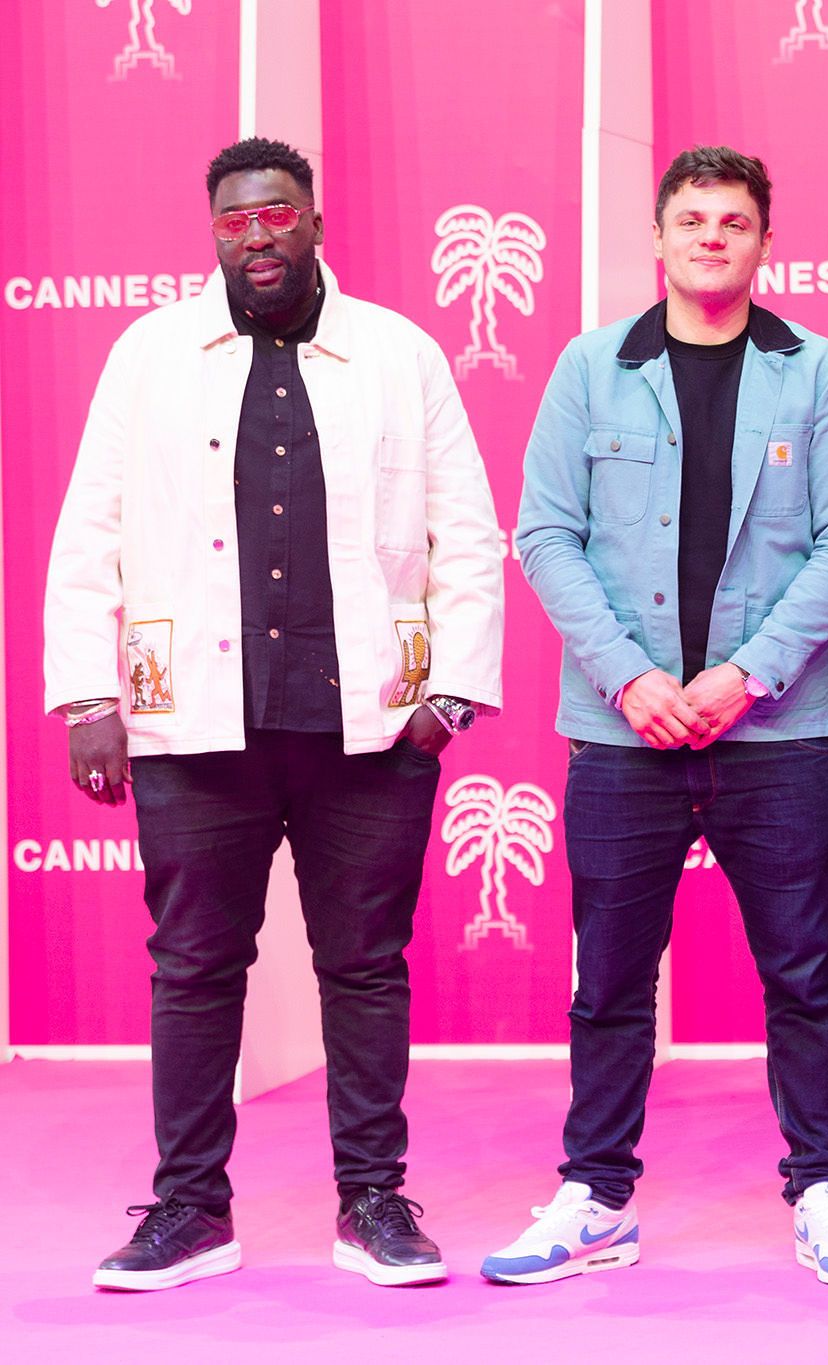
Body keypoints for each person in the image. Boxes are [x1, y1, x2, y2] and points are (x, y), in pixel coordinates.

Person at [47, 136, 505, 1291]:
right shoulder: (149, 354)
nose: (257, 236)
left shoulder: (398, 352)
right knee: (194, 969)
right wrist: (89, 697)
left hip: (369, 727)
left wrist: (450, 693)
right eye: (235, 220)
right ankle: (190, 1209)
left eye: (278, 215)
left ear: (314, 221)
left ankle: (374, 1202)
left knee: (366, 967)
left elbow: (466, 529)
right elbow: (89, 529)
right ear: (214, 232)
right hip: (197, 730)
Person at [499, 145, 828, 1287]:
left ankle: (824, 1188)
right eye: (692, 219)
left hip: (774, 732)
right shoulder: (590, 367)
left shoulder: (816, 371)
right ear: (660, 237)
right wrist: (630, 678)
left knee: (803, 975)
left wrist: (747, 675)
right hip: (625, 733)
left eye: (734, 222)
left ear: (765, 242)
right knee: (610, 981)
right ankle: (595, 1197)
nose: (712, 237)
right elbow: (545, 533)